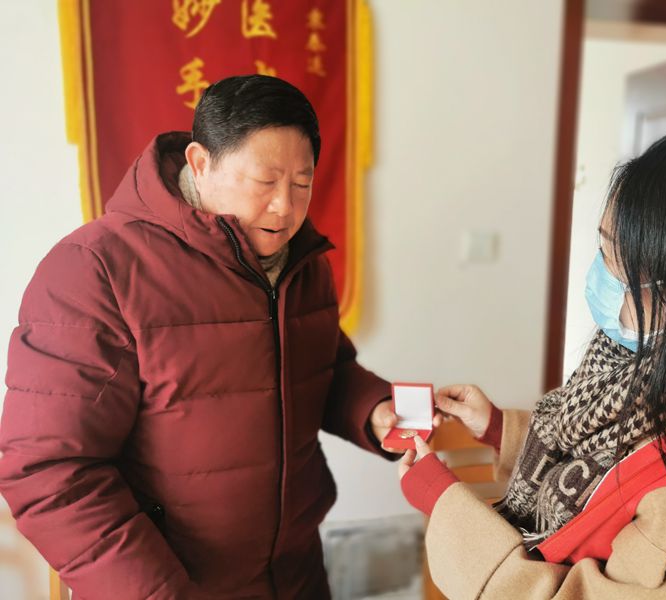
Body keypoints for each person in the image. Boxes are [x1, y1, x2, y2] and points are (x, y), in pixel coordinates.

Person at [0, 75, 403, 599]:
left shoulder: (303, 263)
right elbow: (48, 469)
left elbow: (324, 369)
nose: (284, 207)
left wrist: (375, 411)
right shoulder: (97, 269)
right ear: (199, 163)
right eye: (265, 181)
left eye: (302, 183)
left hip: (297, 577)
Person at [399, 119, 666, 598]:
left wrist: (444, 502)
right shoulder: (643, 364)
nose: (600, 274)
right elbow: (600, 467)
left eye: (614, 260)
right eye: (602, 248)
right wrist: (498, 428)